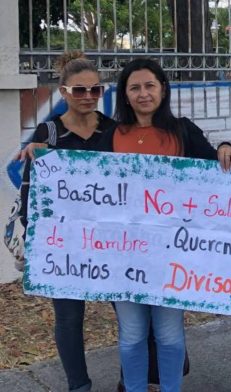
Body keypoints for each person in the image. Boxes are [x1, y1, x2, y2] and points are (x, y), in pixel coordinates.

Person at [99, 58, 231, 392]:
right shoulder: (110, 134)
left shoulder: (182, 130)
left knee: (170, 336)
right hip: (125, 257)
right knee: (131, 336)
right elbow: (82, 177)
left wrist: (225, 147)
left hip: (173, 257)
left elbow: (216, 165)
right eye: (135, 87)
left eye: (150, 85)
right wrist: (38, 149)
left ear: (163, 89)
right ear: (125, 95)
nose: (143, 93)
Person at [17, 51, 115, 392]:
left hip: (114, 244)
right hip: (65, 245)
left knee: (131, 313)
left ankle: (137, 379)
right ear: (63, 92)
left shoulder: (114, 131)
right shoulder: (47, 134)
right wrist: (35, 237)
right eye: (79, 91)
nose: (88, 97)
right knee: (70, 319)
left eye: (95, 90)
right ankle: (79, 386)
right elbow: (30, 191)